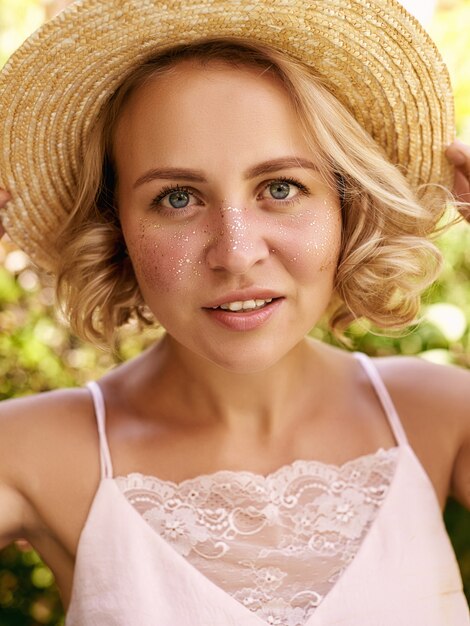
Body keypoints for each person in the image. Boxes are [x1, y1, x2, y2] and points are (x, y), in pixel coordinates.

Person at [0, 0, 469, 624]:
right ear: (115, 224)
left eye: (280, 188)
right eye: (176, 198)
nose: (236, 253)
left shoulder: (439, 416)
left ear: (345, 206)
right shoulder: (32, 451)